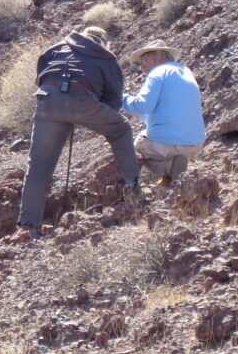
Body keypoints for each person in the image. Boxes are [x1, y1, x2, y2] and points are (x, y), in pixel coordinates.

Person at [17, 26, 140, 234]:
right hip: (82, 100)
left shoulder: (55, 48)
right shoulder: (105, 56)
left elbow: (40, 76)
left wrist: (61, 106)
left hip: (47, 100)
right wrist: (91, 115)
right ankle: (133, 187)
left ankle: (28, 225)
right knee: (121, 130)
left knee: (39, 165)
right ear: (103, 41)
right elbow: (113, 99)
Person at [124, 42, 206, 184]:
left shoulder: (158, 72)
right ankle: (171, 177)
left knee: (135, 146)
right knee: (156, 137)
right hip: (195, 145)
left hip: (167, 143)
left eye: (144, 61)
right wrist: (138, 116)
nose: (142, 67)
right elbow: (164, 110)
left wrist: (119, 97)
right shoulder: (186, 72)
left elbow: (142, 106)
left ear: (159, 55)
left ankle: (164, 169)